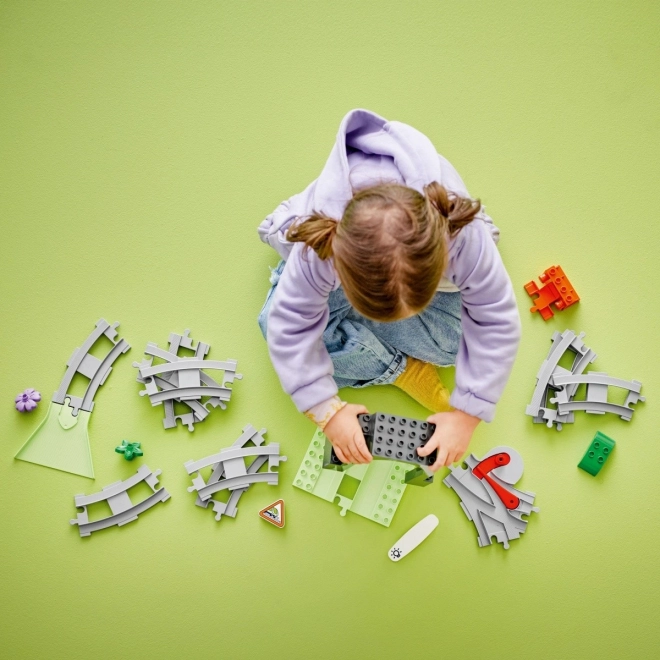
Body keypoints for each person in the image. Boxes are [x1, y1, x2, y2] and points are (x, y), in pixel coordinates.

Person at [257, 109, 521, 471]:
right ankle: (398, 369)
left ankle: (360, 343)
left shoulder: (464, 236)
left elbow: (496, 318)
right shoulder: (320, 248)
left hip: (426, 269)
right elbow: (288, 327)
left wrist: (467, 414)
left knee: (455, 347)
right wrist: (327, 412)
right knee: (273, 325)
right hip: (332, 265)